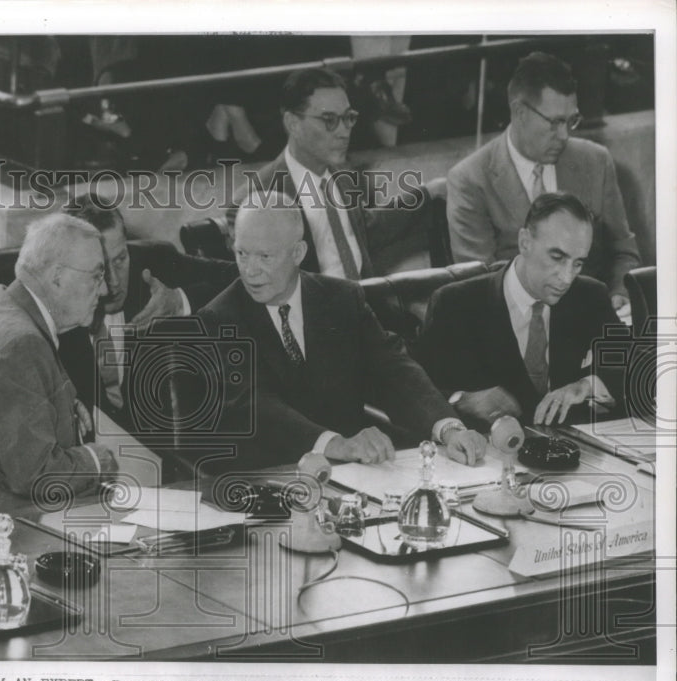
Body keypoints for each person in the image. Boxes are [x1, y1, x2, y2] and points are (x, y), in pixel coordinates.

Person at [198, 204, 487, 468]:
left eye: (264, 256)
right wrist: (334, 444)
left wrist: (448, 429)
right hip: (271, 474)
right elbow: (255, 405)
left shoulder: (342, 298)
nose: (250, 271)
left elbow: (393, 369)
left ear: (298, 253)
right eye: (241, 254)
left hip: (353, 473)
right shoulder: (219, 317)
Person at [0, 214, 118, 519]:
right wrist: (96, 460)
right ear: (57, 277)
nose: (105, 291)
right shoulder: (20, 345)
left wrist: (61, 405)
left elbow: (0, 397)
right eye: (96, 277)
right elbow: (37, 476)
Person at [446, 51, 640, 307]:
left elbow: (623, 251)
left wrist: (620, 294)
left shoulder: (596, 160)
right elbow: (483, 283)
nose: (563, 136)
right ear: (519, 113)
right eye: (555, 122)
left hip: (594, 315)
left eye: (571, 121)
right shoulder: (469, 180)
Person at [419, 192, 625, 429]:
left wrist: (587, 385)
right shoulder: (455, 303)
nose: (567, 277)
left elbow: (636, 366)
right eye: (557, 257)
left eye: (578, 263)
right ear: (525, 242)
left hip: (571, 452)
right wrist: (462, 399)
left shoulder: (590, 295)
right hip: (486, 455)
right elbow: (417, 390)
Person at [226, 67, 439, 281]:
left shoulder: (346, 177)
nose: (343, 131)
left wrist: (428, 193)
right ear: (293, 124)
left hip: (368, 304)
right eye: (329, 120)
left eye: (348, 118)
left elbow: (367, 230)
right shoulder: (252, 200)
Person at [57, 194, 236, 430]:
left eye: (120, 259)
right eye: (97, 268)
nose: (112, 281)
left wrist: (179, 301)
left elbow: (244, 278)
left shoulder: (153, 261)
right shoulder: (50, 300)